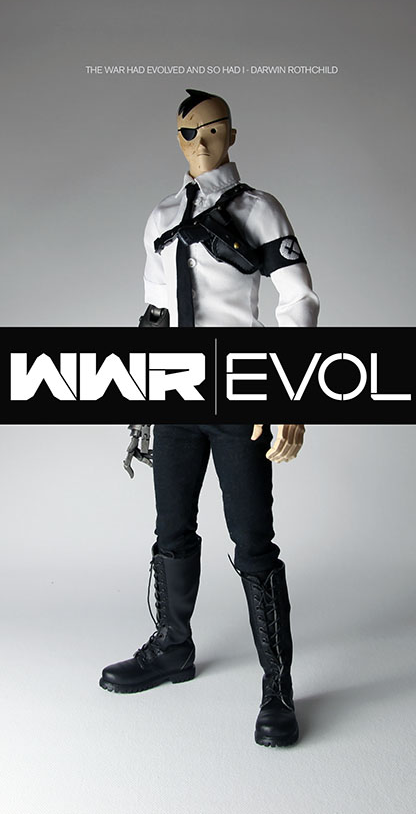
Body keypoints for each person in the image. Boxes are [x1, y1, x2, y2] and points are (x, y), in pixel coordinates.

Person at [100, 90, 319, 747]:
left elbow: (299, 300)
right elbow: (154, 313)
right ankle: (173, 646)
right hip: (175, 393)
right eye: (189, 131)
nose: (201, 141)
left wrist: (291, 396)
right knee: (171, 526)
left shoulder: (257, 209)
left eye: (213, 129)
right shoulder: (161, 216)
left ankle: (277, 684)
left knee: (253, 540)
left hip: (240, 392)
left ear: (231, 134)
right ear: (177, 138)